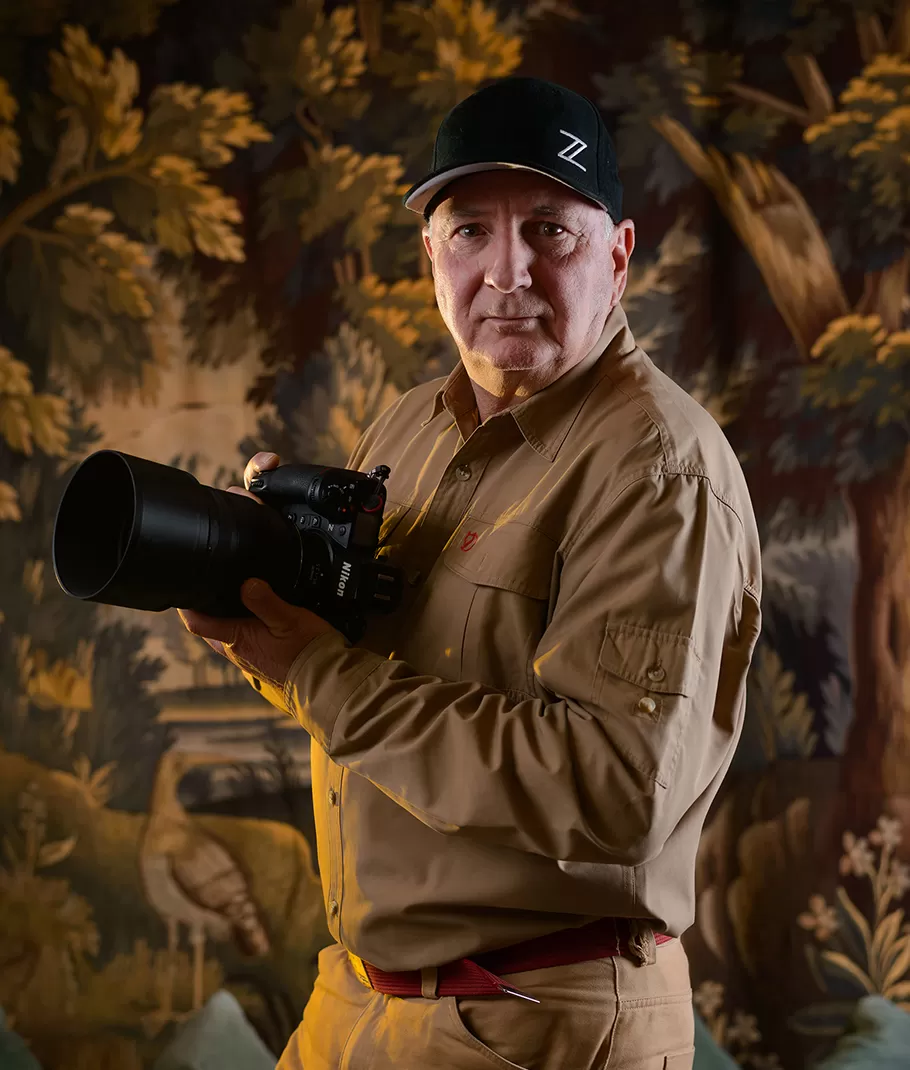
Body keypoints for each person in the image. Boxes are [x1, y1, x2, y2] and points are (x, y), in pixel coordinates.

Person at [180, 76, 762, 1070]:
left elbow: (616, 792)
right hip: (361, 996)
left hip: (537, 1014)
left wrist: (317, 671)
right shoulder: (408, 427)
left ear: (618, 256)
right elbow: (376, 681)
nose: (505, 273)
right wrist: (263, 601)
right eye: (469, 233)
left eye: (549, 231)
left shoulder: (656, 467)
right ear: (430, 256)